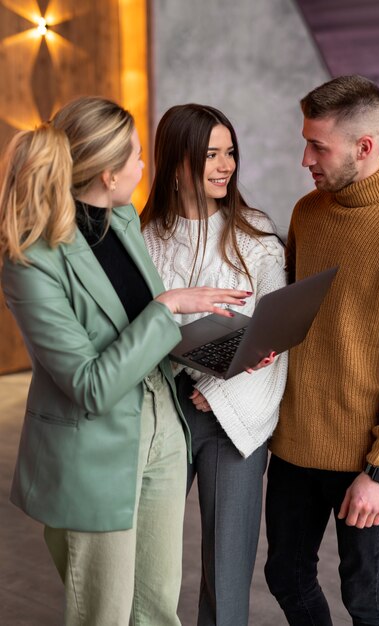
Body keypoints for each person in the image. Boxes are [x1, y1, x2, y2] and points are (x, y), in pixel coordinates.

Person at [0, 96, 251, 626]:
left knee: (158, 606)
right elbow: (91, 385)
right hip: (93, 452)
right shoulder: (31, 261)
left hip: (163, 431)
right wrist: (168, 306)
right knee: (104, 614)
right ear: (110, 173)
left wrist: (224, 354)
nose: (145, 165)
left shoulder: (121, 220)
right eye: (137, 155)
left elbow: (143, 335)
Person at [264, 74, 379, 626]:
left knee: (366, 599)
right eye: (305, 141)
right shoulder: (308, 212)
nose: (305, 157)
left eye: (318, 146)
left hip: (364, 457)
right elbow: (294, 314)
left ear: (364, 147)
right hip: (295, 441)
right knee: (285, 575)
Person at [141, 103, 288, 626]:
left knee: (227, 576)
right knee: (144, 562)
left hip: (234, 420)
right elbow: (133, 335)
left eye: (230, 153)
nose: (225, 165)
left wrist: (220, 393)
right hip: (159, 414)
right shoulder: (144, 239)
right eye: (210, 155)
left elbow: (278, 339)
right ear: (177, 161)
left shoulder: (256, 233)